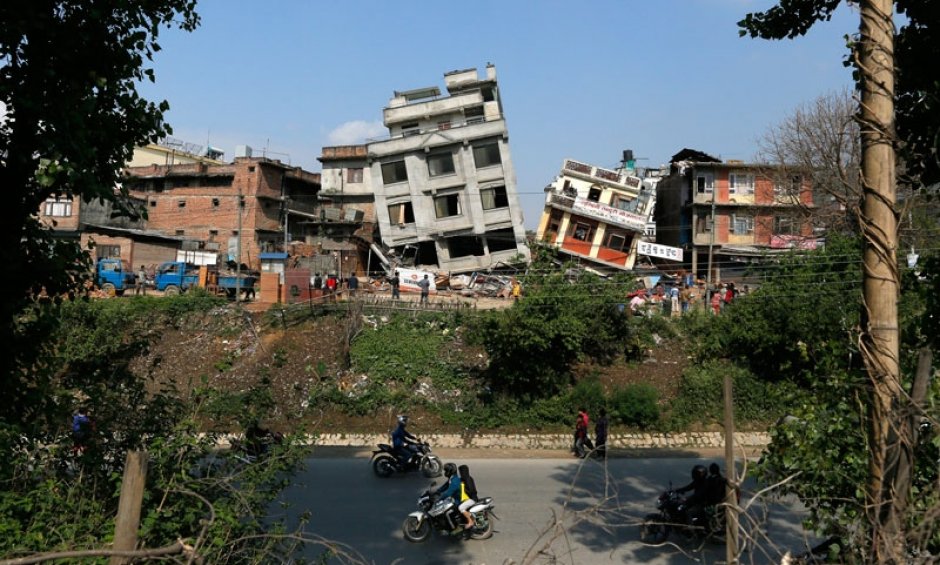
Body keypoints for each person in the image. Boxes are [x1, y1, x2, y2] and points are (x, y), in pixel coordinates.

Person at [458, 464, 478, 530]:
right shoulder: (464, 478)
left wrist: (463, 489)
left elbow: (471, 491)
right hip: (467, 499)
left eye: (461, 472)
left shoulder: (468, 479)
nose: (460, 473)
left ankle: (470, 521)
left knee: (461, 508)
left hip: (472, 499)